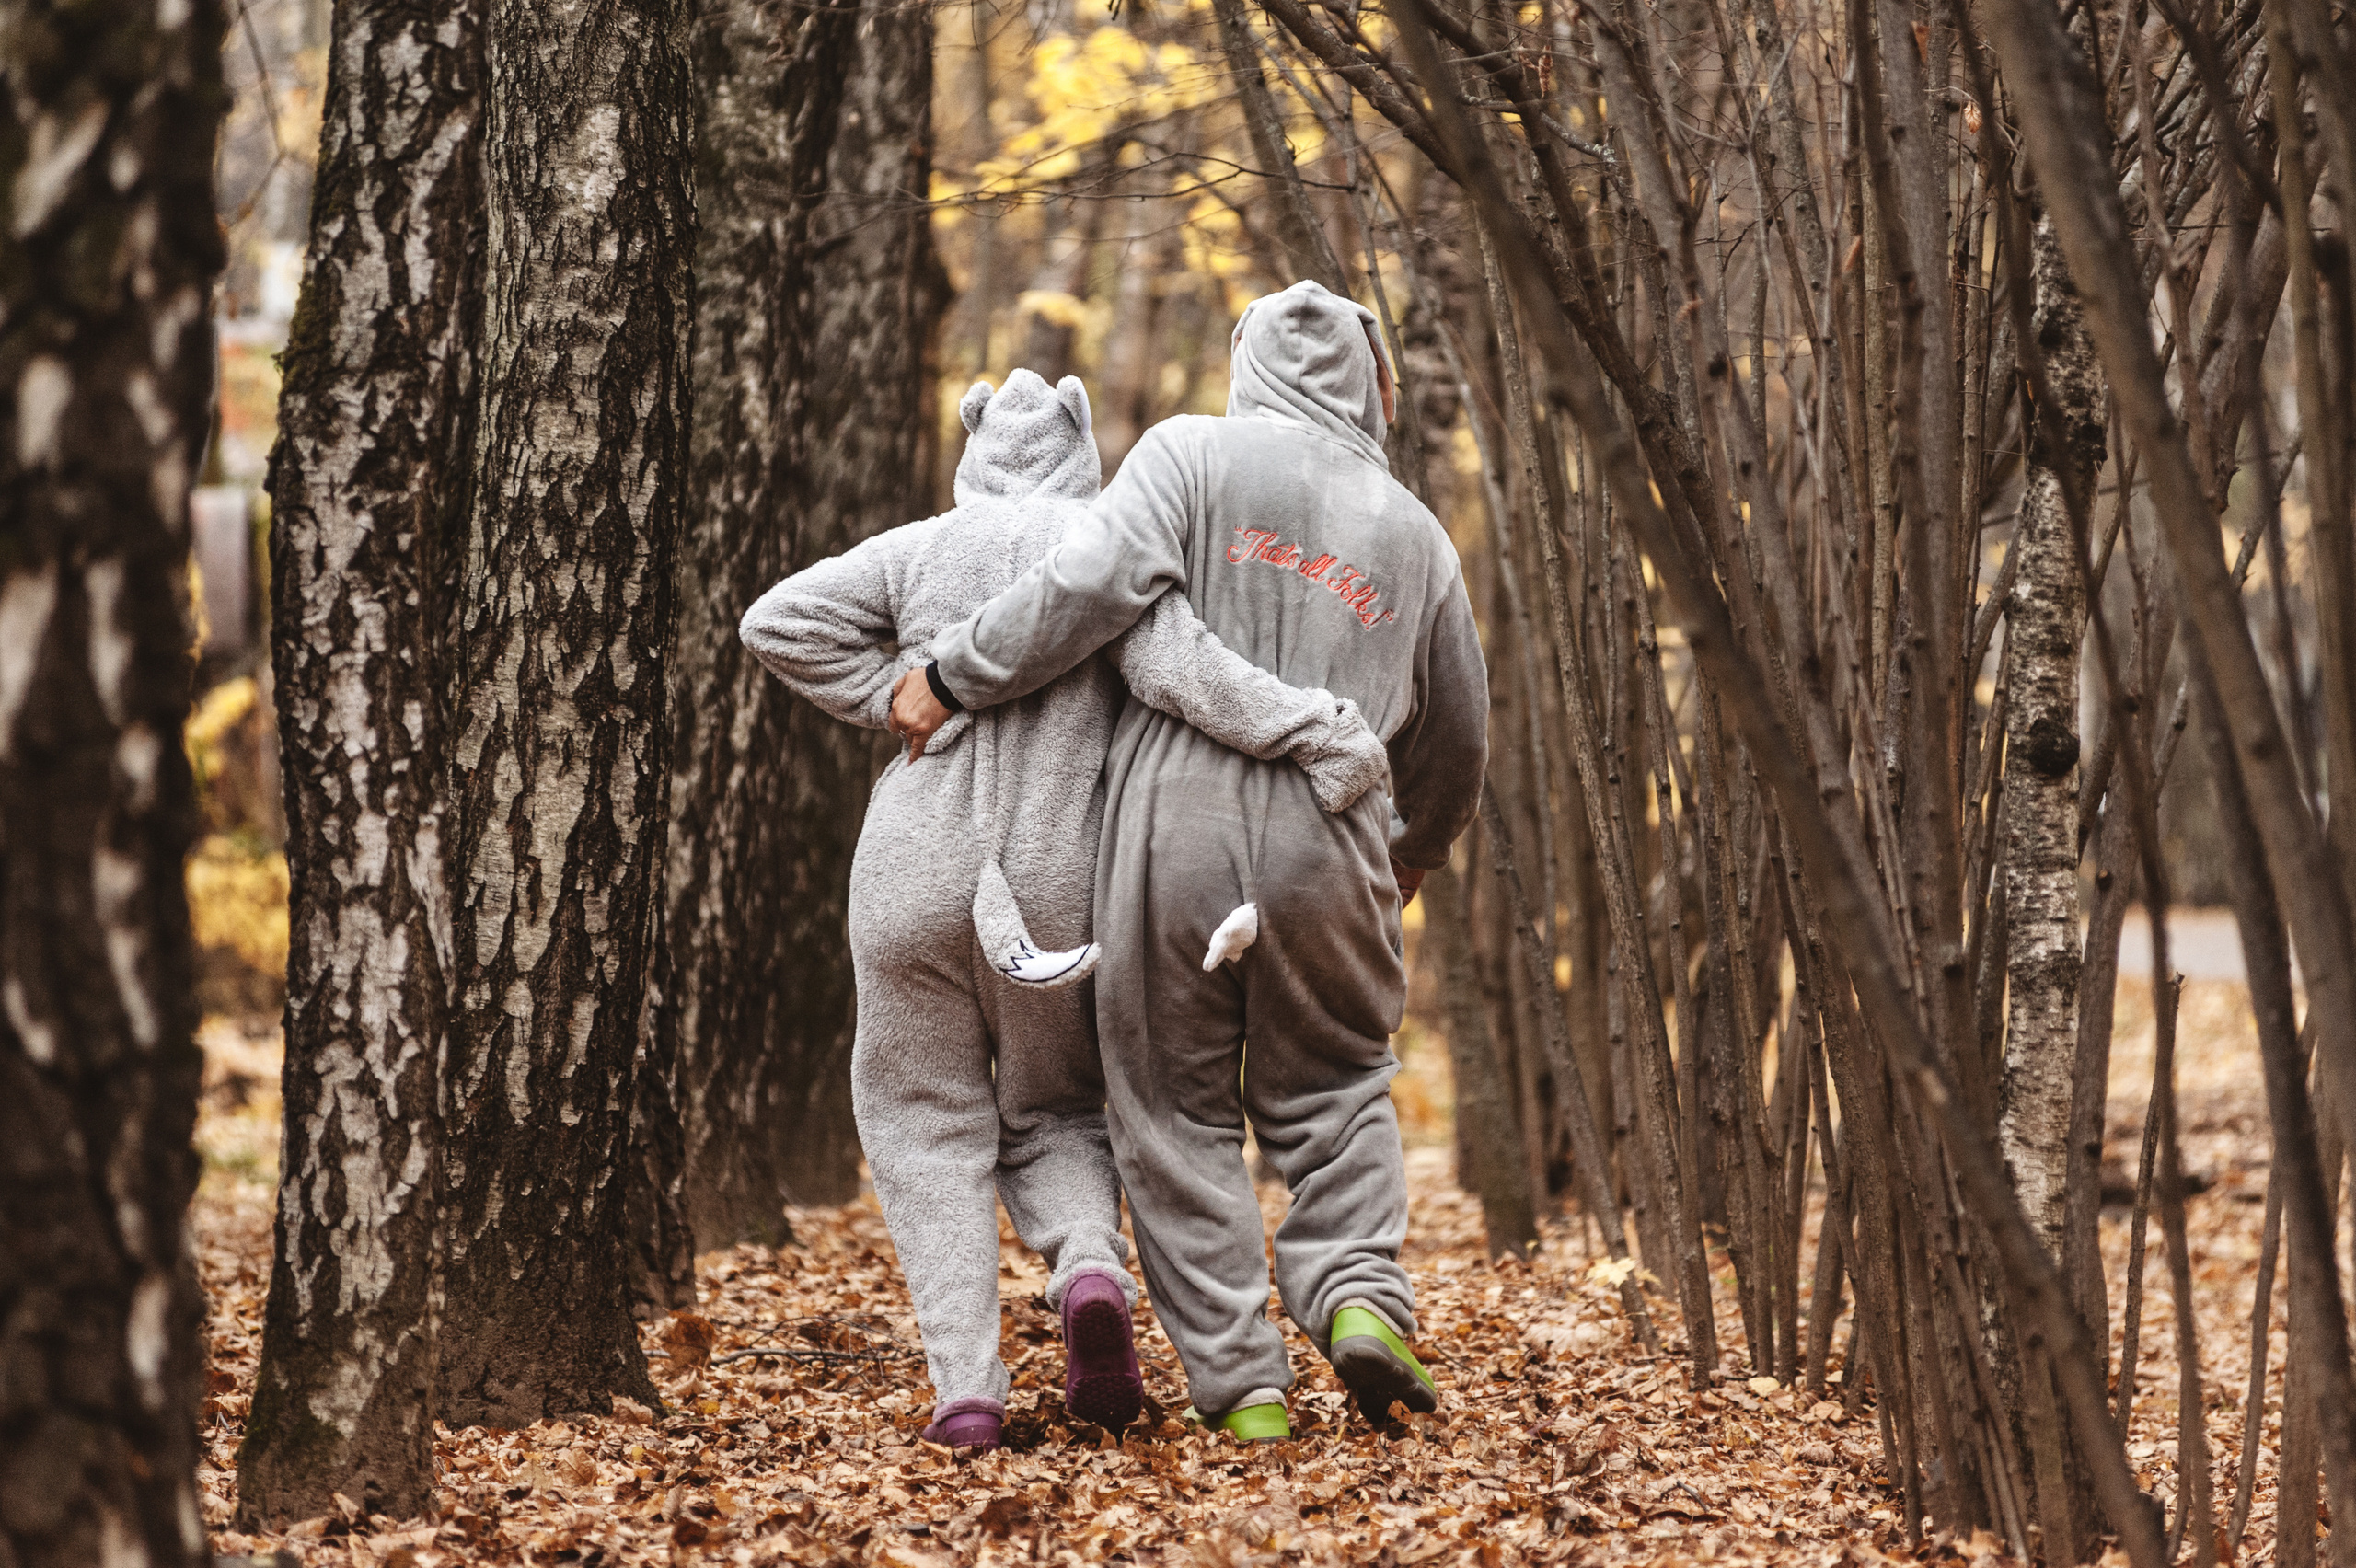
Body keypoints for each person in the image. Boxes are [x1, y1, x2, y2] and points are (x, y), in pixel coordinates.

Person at [739, 368, 1391, 1453]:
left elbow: (777, 621)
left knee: (920, 1123)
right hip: (1058, 885)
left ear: (973, 439)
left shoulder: (917, 549)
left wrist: (902, 694)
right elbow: (1191, 673)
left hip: (906, 875)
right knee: (1061, 1108)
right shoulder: (1105, 549)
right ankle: (1089, 1270)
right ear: (1083, 440)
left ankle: (968, 1392)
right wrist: (1322, 733)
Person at [893, 281, 1489, 1440]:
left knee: (1171, 1108)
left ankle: (1246, 1391)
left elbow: (1081, 593)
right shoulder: (1416, 531)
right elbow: (1457, 740)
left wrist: (956, 672)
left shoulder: (1184, 457)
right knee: (1338, 1088)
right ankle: (1359, 1298)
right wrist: (1409, 852)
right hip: (1337, 831)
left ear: (1247, 362)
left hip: (1175, 826)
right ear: (1373, 383)